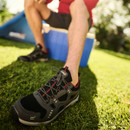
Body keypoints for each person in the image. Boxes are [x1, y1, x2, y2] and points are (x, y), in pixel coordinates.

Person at [12, 0, 99, 126]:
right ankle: (41, 50)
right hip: (61, 17)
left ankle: (71, 78)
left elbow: (90, 3)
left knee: (78, 3)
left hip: (81, 15)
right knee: (30, 2)